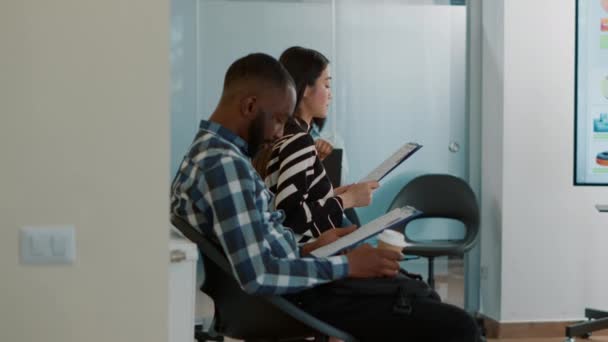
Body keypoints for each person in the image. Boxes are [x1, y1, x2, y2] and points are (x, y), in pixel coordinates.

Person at [170, 53, 480, 341]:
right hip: (295, 296)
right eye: (278, 119)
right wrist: (347, 265)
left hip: (294, 286)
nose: (279, 133)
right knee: (455, 323)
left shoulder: (205, 155)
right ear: (250, 106)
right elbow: (259, 273)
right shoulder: (223, 165)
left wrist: (312, 248)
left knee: (416, 293)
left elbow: (259, 248)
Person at [259, 46, 377, 242]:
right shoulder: (300, 140)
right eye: (326, 85)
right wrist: (348, 200)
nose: (330, 95)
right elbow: (292, 216)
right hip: (305, 256)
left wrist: (334, 195)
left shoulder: (280, 135)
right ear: (305, 89)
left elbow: (294, 202)